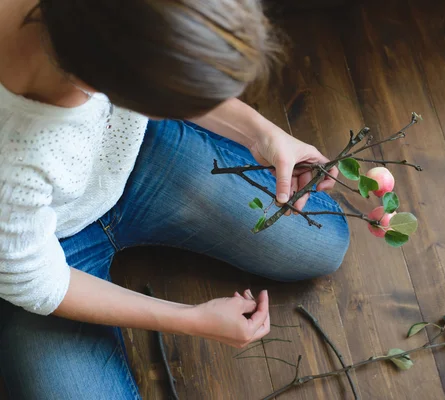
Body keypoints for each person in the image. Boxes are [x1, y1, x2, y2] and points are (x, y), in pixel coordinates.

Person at [0, 1, 350, 398]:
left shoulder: (106, 40)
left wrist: (261, 135)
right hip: (47, 248)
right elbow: (36, 281)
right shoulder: (13, 158)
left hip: (129, 157)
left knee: (321, 242)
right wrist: (191, 319)